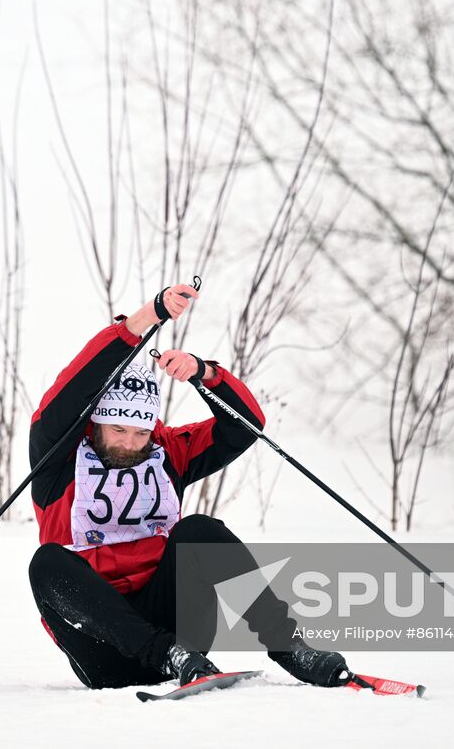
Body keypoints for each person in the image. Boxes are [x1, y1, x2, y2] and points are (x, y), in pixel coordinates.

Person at [27, 282, 351, 689]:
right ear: (95, 422)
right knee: (47, 563)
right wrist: (146, 317)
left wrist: (206, 374)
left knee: (199, 530)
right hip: (106, 646)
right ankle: (165, 654)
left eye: (141, 432)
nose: (130, 443)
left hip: (184, 637)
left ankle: (290, 647)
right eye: (118, 429)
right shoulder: (57, 458)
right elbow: (70, 390)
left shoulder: (168, 452)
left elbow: (243, 428)